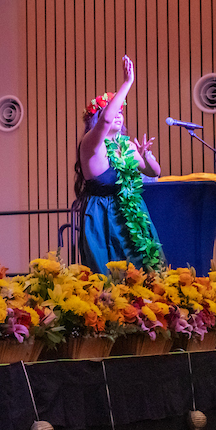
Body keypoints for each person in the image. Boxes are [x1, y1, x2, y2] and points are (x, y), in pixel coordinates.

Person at [75, 54, 164, 274]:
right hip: (102, 219)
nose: (117, 115)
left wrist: (148, 156)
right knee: (108, 281)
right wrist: (127, 82)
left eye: (121, 112)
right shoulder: (91, 145)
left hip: (133, 215)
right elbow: (106, 121)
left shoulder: (127, 147)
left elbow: (154, 172)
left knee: (146, 274)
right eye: (113, 111)